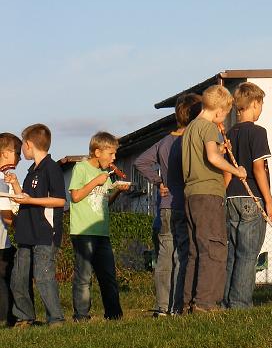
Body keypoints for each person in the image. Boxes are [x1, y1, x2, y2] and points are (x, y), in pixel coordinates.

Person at [135, 92, 202, 316]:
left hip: (165, 206)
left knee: (164, 257)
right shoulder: (189, 141)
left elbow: (141, 162)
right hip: (183, 203)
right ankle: (177, 305)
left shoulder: (163, 142)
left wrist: (158, 181)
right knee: (181, 255)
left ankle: (162, 306)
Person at [182, 84, 246, 313]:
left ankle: (188, 301)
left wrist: (220, 150)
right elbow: (211, 158)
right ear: (219, 111)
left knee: (196, 250)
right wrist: (236, 171)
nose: (224, 118)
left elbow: (204, 156)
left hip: (191, 194)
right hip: (208, 194)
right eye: (225, 114)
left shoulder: (191, 128)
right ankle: (206, 303)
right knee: (214, 247)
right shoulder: (209, 127)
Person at [223, 82, 272, 309]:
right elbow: (258, 168)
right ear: (255, 103)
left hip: (231, 197)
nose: (261, 109)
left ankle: (226, 301)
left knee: (232, 253)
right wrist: (269, 202)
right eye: (261, 104)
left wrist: (225, 195)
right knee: (247, 254)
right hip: (251, 196)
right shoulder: (257, 132)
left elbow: (226, 171)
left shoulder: (229, 134)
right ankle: (240, 303)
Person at [68, 132, 131, 321]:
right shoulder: (81, 168)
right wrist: (95, 181)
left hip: (102, 232)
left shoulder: (106, 174)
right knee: (84, 275)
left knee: (108, 275)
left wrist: (117, 191)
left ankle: (114, 315)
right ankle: (81, 316)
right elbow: (75, 196)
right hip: (83, 231)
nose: (114, 158)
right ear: (97, 152)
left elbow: (105, 201)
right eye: (111, 153)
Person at [10, 124, 67, 327]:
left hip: (45, 233)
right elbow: (26, 198)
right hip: (26, 232)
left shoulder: (51, 168)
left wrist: (30, 200)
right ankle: (25, 317)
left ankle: (56, 319)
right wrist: (15, 184)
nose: (21, 151)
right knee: (18, 277)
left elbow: (60, 200)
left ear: (28, 144)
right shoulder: (31, 171)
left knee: (43, 277)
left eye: (22, 146)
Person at [0, 133, 22, 326]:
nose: (19, 158)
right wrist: (24, 225)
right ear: (6, 153)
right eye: (17, 153)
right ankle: (6, 319)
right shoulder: (0, 181)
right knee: (5, 280)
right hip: (1, 244)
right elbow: (7, 216)